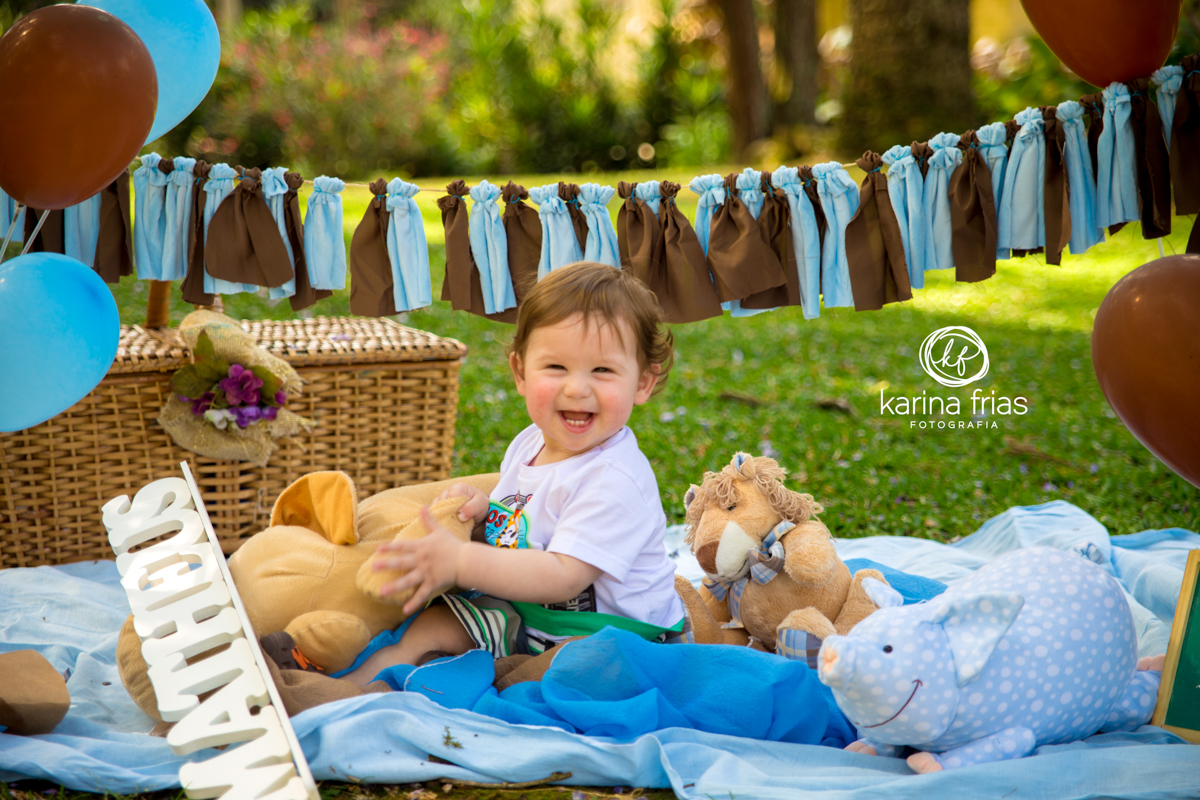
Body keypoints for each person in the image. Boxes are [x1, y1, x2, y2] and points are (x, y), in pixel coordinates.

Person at [342, 261, 686, 685]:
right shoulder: (529, 444)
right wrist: (484, 513)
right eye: (556, 367)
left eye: (602, 370)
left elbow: (563, 577)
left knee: (571, 678)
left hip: (617, 639)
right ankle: (343, 691)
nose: (577, 388)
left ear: (643, 383)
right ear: (521, 373)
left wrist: (462, 561)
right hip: (532, 619)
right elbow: (525, 527)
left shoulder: (614, 479)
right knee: (433, 625)